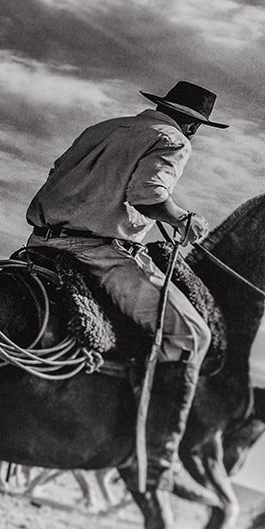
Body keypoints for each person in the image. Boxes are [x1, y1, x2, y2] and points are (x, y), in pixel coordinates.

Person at [25, 80, 228, 490]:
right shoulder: (172, 140)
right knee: (191, 335)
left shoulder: (104, 127)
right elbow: (147, 195)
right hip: (99, 252)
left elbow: (56, 174)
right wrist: (185, 220)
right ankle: (157, 458)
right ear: (193, 126)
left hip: (41, 240)